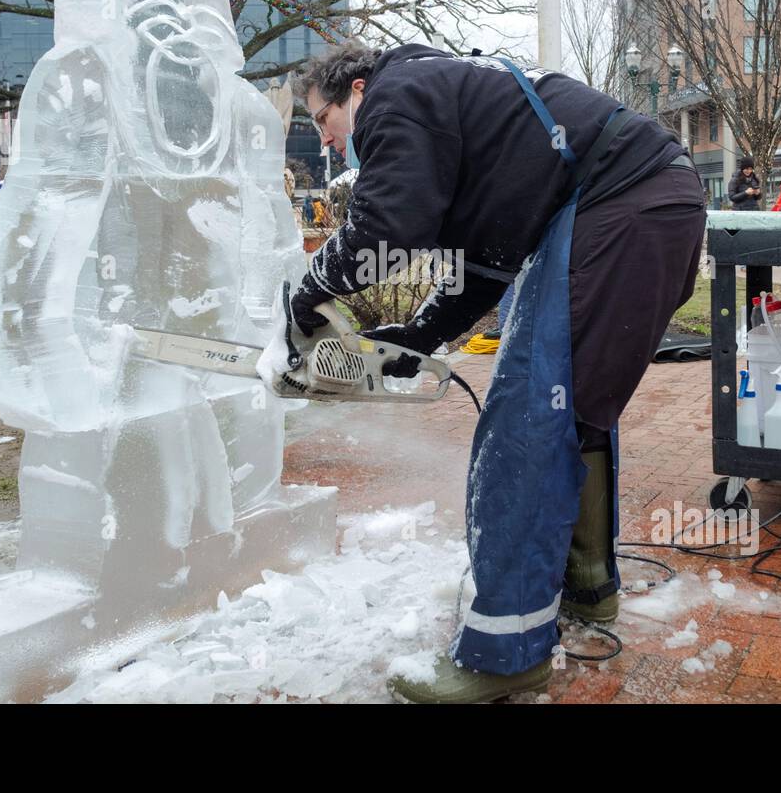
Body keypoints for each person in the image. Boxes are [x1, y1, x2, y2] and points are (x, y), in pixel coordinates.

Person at [289, 41, 706, 703]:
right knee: (570, 410)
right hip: (642, 201)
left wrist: (309, 289)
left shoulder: (397, 94)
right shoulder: (460, 108)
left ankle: (505, 653)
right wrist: (419, 336)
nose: (332, 141)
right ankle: (587, 588)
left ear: (357, 91)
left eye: (321, 119)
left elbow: (390, 225)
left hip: (619, 206)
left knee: (523, 425)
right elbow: (487, 264)